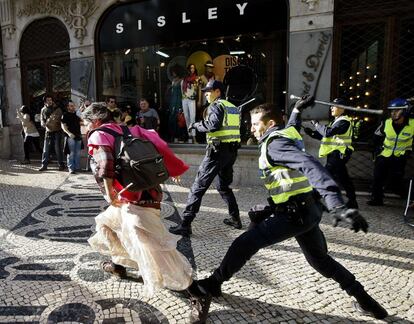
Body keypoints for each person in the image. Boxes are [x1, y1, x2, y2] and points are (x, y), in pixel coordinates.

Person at [187, 99, 388, 323]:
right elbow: (293, 123)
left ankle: (213, 283)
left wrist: (336, 203)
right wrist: (297, 109)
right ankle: (367, 302)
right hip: (308, 211)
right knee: (320, 261)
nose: (251, 128)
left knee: (244, 243)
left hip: (293, 215)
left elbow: (309, 164)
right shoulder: (288, 133)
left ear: (270, 123)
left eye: (255, 124)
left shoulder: (275, 145)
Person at [81, 102, 207, 303]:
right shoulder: (127, 129)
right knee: (106, 224)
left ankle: (196, 293)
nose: (84, 127)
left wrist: (108, 194)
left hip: (131, 200)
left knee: (155, 247)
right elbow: (159, 145)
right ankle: (119, 264)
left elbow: (105, 166)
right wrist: (172, 170)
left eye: (85, 122)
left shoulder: (97, 134)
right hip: (144, 194)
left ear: (95, 121)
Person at [169, 80, 242, 236]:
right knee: (223, 187)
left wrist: (196, 125)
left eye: (209, 91)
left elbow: (213, 125)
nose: (206, 94)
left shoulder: (216, 105)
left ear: (218, 92)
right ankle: (235, 218)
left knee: (198, 187)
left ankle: (185, 224)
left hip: (216, 153)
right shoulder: (232, 107)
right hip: (231, 152)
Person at [303, 98, 358, 209]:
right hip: (335, 154)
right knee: (343, 178)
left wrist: (317, 125)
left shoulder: (344, 121)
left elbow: (327, 133)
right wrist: (312, 133)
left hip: (339, 154)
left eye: (334, 106)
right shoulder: (337, 121)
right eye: (331, 106)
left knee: (324, 175)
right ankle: (352, 201)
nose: (331, 108)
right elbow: (326, 136)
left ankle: (313, 199)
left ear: (342, 108)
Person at [367, 98, 414, 206]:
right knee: (377, 177)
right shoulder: (386, 122)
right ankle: (377, 199)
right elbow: (376, 137)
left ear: (405, 111)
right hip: (385, 153)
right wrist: (376, 149)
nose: (393, 113)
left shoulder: (413, 124)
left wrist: (408, 152)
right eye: (392, 111)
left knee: (395, 181)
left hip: (400, 155)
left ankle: (409, 197)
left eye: (397, 110)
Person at [38, 94, 65, 171]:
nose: (49, 101)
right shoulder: (43, 109)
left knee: (58, 149)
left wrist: (48, 122)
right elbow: (41, 119)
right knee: (45, 150)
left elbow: (58, 119)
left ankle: (61, 164)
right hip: (48, 131)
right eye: (47, 100)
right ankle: (44, 165)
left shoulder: (57, 109)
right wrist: (42, 123)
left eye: (50, 100)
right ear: (45, 102)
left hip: (57, 131)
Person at [61, 100, 82, 174]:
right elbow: (63, 126)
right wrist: (69, 133)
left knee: (78, 153)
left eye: (73, 105)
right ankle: (71, 168)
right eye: (71, 106)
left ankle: (77, 167)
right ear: (67, 107)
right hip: (70, 136)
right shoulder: (65, 115)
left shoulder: (77, 115)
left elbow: (82, 121)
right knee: (71, 153)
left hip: (78, 135)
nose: (73, 107)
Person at [181, 63, 199, 143]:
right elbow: (182, 90)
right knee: (187, 117)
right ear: (188, 69)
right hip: (184, 99)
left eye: (193, 68)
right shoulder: (184, 79)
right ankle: (189, 136)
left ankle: (194, 136)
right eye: (191, 68)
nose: (192, 69)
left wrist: (199, 100)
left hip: (192, 99)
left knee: (193, 117)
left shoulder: (197, 78)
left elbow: (199, 90)